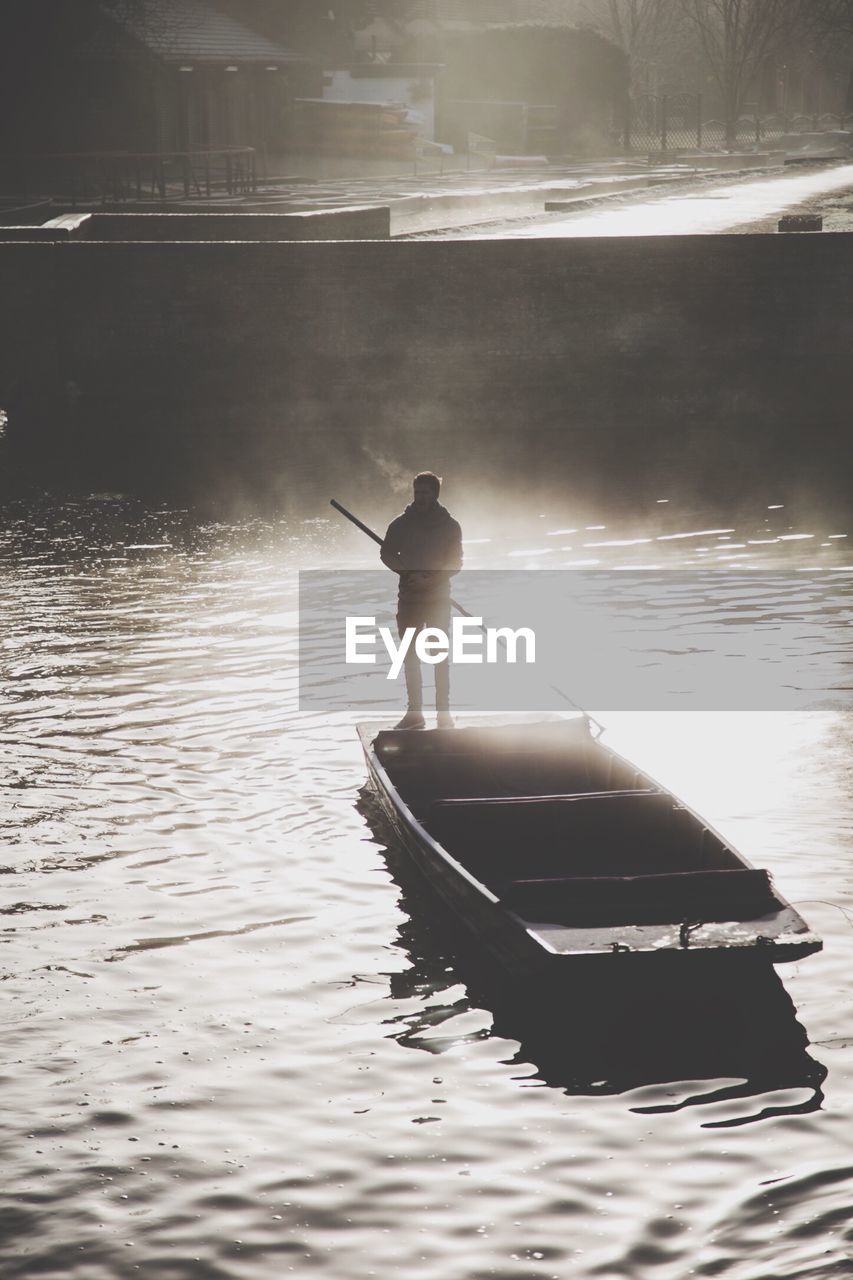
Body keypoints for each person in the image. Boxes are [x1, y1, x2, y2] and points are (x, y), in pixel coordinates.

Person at [380, 471, 463, 730]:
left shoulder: (450, 526)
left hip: (438, 599)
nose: (420, 498)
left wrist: (430, 580)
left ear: (435, 494)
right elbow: (386, 554)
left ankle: (443, 715)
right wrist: (408, 573)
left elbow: (455, 562)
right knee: (410, 656)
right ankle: (414, 714)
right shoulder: (400, 525)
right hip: (409, 600)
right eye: (417, 493)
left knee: (440, 657)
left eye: (425, 493)